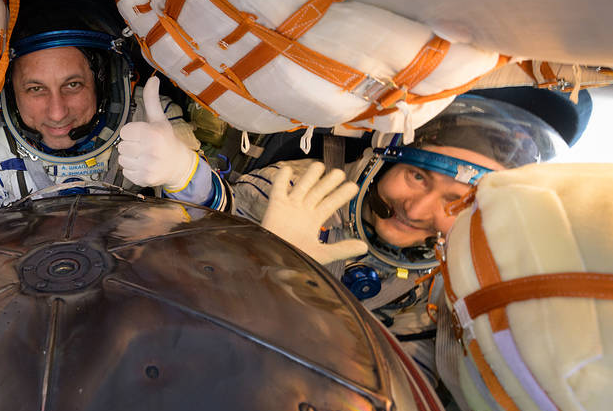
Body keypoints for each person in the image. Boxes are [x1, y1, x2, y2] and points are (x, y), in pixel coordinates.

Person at [233, 95, 566, 381]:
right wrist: (267, 257)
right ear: (380, 163)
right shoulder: (288, 194)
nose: (418, 209)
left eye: (455, 202)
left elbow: (399, 386)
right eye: (417, 176)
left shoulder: (443, 283)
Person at [0, 0, 230, 226]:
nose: (57, 112)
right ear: (9, 92)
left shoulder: (150, 121)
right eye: (35, 89)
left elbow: (220, 231)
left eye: (72, 85)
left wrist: (184, 173)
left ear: (103, 82)